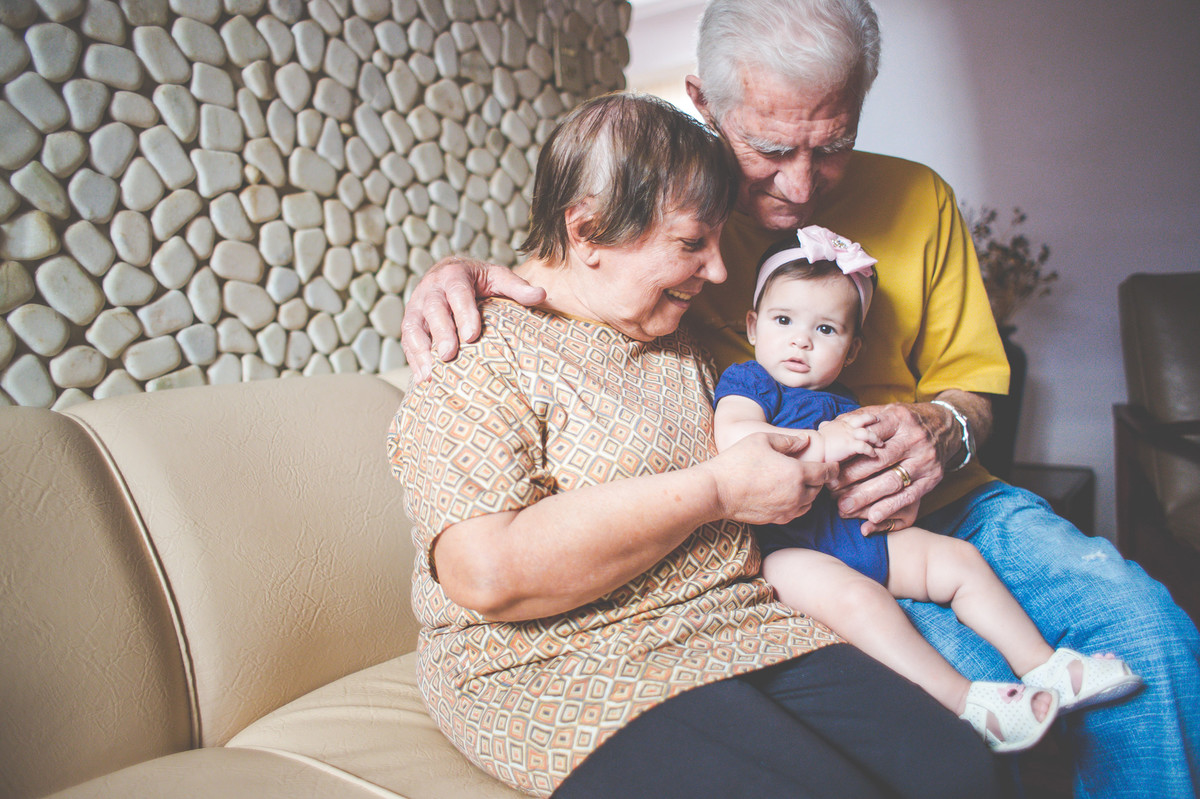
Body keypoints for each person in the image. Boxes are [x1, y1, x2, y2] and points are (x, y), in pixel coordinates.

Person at [398, 2, 1200, 796]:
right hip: (811, 537)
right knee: (983, 702)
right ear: (705, 105)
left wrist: (941, 429)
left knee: (1152, 633)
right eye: (772, 147)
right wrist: (455, 275)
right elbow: (575, 276)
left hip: (949, 499)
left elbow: (979, 382)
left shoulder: (916, 199)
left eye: (833, 145)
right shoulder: (677, 232)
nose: (802, 183)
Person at [389, 92, 1001, 799]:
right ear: (586, 232)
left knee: (960, 766)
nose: (716, 271)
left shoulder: (686, 335)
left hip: (737, 619)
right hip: (559, 661)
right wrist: (717, 488)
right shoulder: (477, 353)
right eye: (691, 243)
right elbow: (484, 572)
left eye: (717, 241)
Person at [713, 225, 1144, 753]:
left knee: (959, 560)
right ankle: (969, 702)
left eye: (826, 330)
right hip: (789, 549)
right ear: (754, 326)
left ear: (852, 351)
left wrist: (899, 499)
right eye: (784, 321)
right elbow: (735, 437)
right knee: (860, 601)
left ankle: (1045, 666)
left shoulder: (847, 404)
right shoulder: (749, 384)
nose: (801, 340)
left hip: (862, 535)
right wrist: (823, 440)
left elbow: (888, 475)